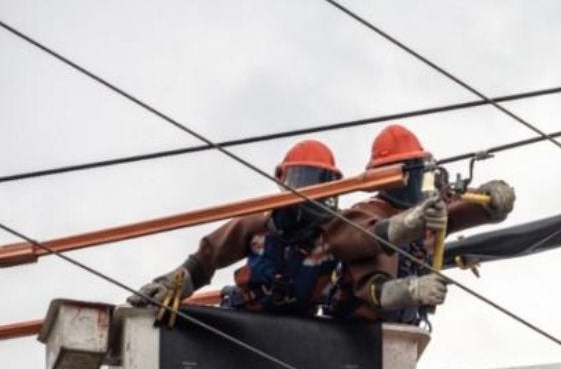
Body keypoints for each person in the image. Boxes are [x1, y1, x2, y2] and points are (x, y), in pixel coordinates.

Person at [126, 138, 456, 316]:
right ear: (283, 180)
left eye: (321, 184)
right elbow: (208, 256)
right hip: (247, 313)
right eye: (304, 181)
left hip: (301, 324)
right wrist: (176, 282)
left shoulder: (330, 234)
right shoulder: (259, 224)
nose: (310, 193)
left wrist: (411, 224)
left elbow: (369, 236)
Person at [320, 124, 515, 323]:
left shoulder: (429, 207)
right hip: (354, 330)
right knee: (377, 250)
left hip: (405, 331)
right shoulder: (366, 212)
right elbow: (368, 255)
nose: (419, 180)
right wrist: (412, 289)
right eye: (415, 172)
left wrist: (492, 198)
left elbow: (461, 206)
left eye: (422, 171)